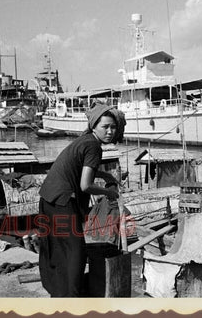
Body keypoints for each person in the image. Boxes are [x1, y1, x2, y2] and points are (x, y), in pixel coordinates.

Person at [37, 104, 126, 297]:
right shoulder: (94, 146)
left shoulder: (85, 141)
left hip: (48, 199)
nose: (110, 131)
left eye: (113, 127)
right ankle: (72, 297)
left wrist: (105, 175)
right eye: (105, 127)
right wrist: (109, 192)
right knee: (76, 252)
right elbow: (85, 185)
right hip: (63, 201)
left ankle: (60, 292)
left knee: (59, 250)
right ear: (94, 126)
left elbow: (81, 167)